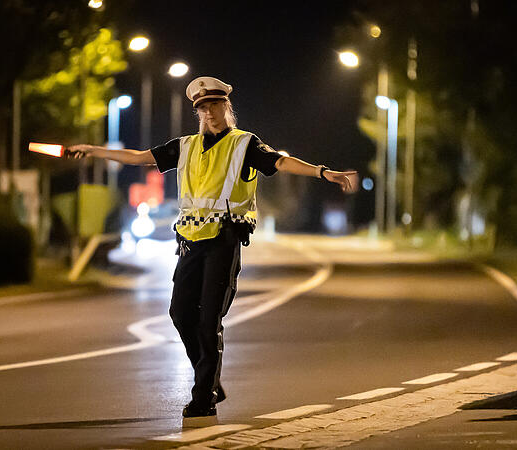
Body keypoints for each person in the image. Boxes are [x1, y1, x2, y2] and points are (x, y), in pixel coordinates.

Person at [67, 76, 357, 423]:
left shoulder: (244, 144)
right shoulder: (185, 145)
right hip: (190, 241)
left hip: (224, 239)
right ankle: (212, 380)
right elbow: (138, 157)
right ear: (198, 112)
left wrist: (325, 173)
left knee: (208, 322)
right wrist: (94, 150)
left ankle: (203, 397)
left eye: (215, 105)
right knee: (180, 313)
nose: (210, 112)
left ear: (226, 107)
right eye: (203, 108)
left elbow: (280, 163)